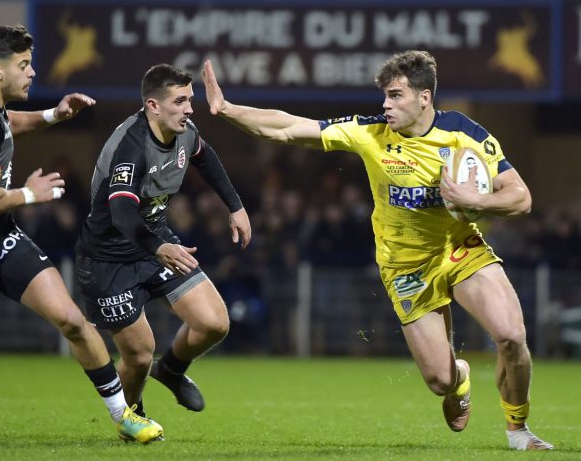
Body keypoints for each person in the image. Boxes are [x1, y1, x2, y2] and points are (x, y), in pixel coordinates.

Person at [201, 51, 554, 450]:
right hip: (405, 268)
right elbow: (286, 127)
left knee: (510, 335)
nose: (385, 105)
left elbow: (520, 199)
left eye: (395, 95)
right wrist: (228, 109)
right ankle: (459, 376)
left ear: (424, 97)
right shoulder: (369, 133)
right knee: (439, 382)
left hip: (460, 249)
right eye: (384, 96)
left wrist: (476, 203)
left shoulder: (464, 134)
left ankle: (518, 430)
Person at [0, 25, 163, 443]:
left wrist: (53, 115)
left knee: (72, 320)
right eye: (23, 65)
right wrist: (30, 192)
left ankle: (124, 416)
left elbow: (8, 125)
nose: (32, 72)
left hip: (0, 241)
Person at [74, 63, 250, 418]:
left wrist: (236, 206)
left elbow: (205, 156)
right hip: (109, 260)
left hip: (155, 245)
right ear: (153, 106)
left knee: (214, 323)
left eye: (190, 99)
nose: (189, 109)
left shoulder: (183, 130)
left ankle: (170, 370)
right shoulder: (131, 148)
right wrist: (159, 247)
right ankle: (131, 417)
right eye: (180, 101)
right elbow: (123, 215)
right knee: (138, 356)